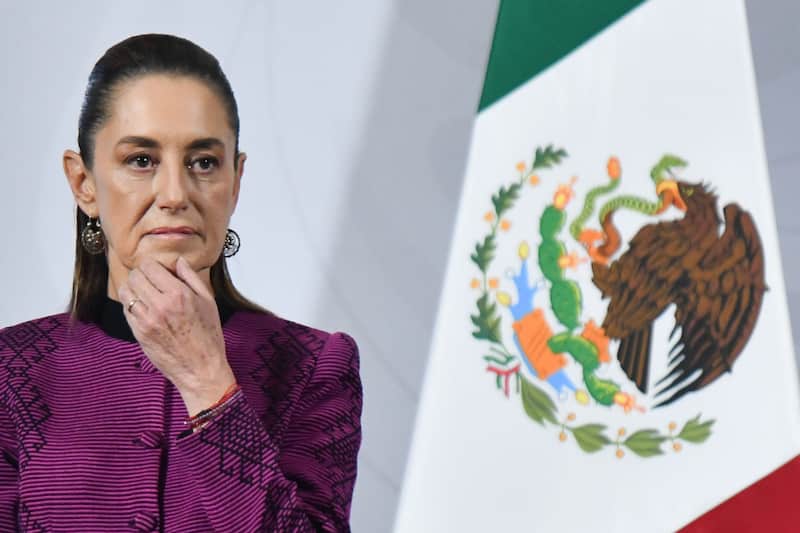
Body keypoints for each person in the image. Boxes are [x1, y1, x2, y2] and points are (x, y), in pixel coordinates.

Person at [0, 33, 362, 532]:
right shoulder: (10, 371)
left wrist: (207, 381)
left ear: (235, 182)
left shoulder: (313, 365)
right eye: (141, 160)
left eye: (203, 163)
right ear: (83, 183)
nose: (175, 193)